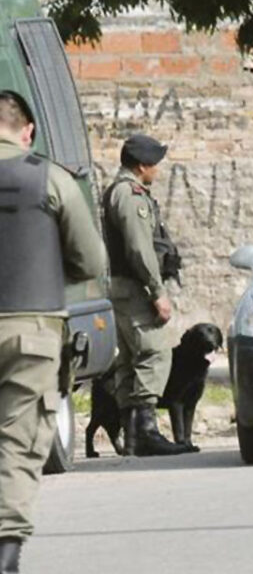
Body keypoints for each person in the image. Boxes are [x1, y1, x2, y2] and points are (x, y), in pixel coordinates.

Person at [0, 90, 106, 570]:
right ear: (28, 132)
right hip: (32, 331)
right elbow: (90, 260)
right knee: (18, 444)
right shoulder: (50, 178)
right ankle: (5, 555)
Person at [103, 134, 188, 456]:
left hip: (121, 287)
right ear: (142, 166)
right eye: (155, 164)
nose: (158, 170)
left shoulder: (119, 190)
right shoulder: (131, 194)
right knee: (154, 353)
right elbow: (139, 248)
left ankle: (134, 435)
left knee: (129, 358)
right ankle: (146, 432)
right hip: (135, 288)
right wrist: (157, 292)